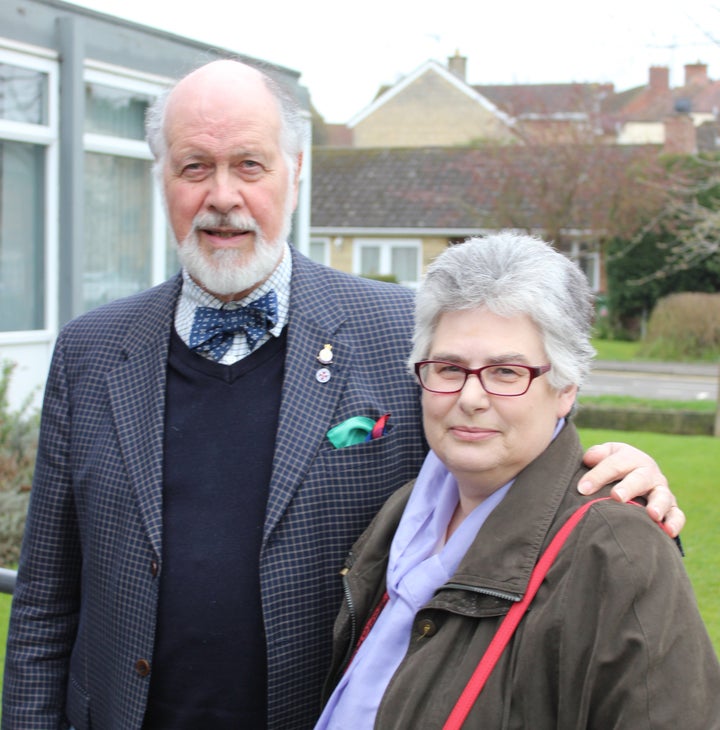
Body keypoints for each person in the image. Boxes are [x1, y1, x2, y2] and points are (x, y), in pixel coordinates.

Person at [2, 60, 684, 730]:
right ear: (163, 180)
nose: (222, 195)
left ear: (294, 172)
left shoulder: (400, 334)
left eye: (249, 164)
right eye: (194, 167)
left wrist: (615, 471)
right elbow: (45, 604)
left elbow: (512, 444)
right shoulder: (90, 351)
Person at [316, 233, 720, 730]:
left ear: (565, 388)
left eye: (506, 372)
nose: (470, 397)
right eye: (448, 368)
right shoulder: (403, 511)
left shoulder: (617, 551)